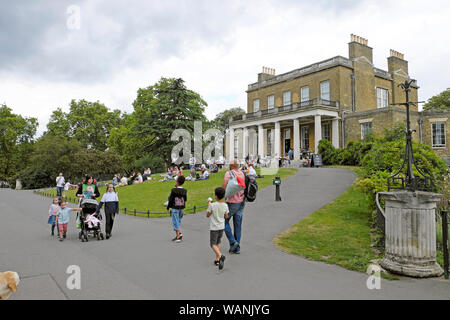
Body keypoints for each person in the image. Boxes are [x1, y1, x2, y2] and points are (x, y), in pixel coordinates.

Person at [222, 159, 246, 254]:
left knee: (223, 221)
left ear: (232, 166)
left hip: (232, 202)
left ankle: (233, 241)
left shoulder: (229, 173)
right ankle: (237, 248)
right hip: (241, 201)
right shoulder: (242, 173)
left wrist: (221, 196)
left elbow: (224, 186)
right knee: (238, 224)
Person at [206, 187, 229, 270]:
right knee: (218, 242)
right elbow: (226, 216)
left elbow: (207, 215)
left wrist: (209, 204)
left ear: (215, 196)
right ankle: (217, 260)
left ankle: (220, 256)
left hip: (214, 227)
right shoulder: (225, 205)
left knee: (212, 244)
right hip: (221, 226)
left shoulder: (212, 205)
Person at [166, 175, 187, 243]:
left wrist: (168, 207)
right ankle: (179, 233)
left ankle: (178, 237)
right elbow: (185, 199)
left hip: (175, 208)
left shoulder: (173, 190)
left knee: (175, 222)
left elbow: (171, 200)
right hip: (182, 208)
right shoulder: (184, 190)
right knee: (178, 221)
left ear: (177, 181)